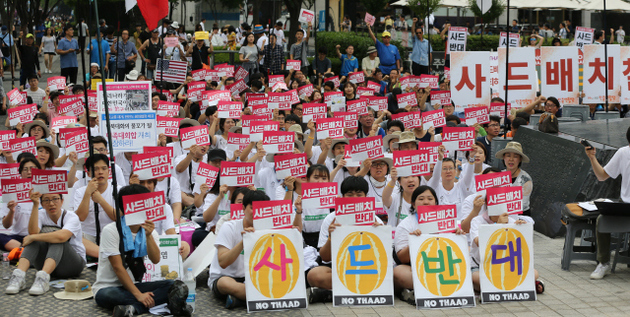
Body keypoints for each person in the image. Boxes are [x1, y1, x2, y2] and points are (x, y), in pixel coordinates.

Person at [92, 185, 192, 316]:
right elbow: (118, 268)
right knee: (108, 295)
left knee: (175, 286)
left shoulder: (149, 230)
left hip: (135, 285)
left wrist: (149, 236)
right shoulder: (111, 230)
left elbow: (156, 260)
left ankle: (133, 309)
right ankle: (163, 303)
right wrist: (139, 295)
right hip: (109, 287)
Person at [5, 191, 86, 295]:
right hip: (47, 263)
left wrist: (34, 236)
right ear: (42, 204)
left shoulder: (71, 217)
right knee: (35, 238)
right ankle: (18, 276)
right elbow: (33, 232)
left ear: (62, 201)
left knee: (56, 237)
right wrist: (35, 205)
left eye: (55, 199)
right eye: (46, 200)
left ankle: (43, 278)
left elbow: (62, 237)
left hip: (72, 264)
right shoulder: (40, 214)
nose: (51, 203)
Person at [208, 190, 268, 309]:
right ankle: (260, 297)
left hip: (252, 277)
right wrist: (243, 242)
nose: (257, 212)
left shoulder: (267, 229)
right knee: (225, 283)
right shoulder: (229, 227)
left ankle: (241, 300)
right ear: (243, 208)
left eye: (261, 208)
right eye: (252, 208)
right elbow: (223, 262)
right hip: (226, 277)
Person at [585, 127, 630, 279]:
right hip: (625, 205)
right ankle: (603, 263)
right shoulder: (623, 153)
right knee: (601, 219)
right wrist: (592, 157)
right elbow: (602, 176)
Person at [0, 158, 42, 252]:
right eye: (25, 169)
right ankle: (27, 251)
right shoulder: (12, 193)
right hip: (18, 237)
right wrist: (11, 211)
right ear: (20, 173)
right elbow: (6, 225)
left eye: (32, 168)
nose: (29, 172)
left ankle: (22, 251)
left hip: (40, 236)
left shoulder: (45, 192)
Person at [496, 142, 533, 216]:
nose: (511, 159)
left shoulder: (526, 179)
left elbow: (523, 204)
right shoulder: (498, 176)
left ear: (520, 159)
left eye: (515, 156)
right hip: (500, 215)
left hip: (521, 217)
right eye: (508, 156)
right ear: (504, 157)